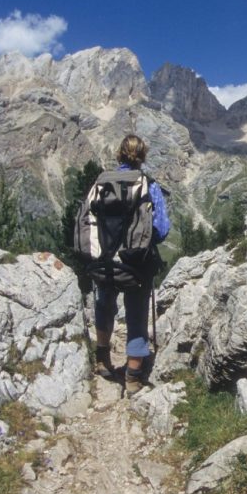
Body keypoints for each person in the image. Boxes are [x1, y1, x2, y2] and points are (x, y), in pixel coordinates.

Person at [94, 134, 171, 395]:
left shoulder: (102, 182)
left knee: (104, 305)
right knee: (136, 315)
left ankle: (102, 360)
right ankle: (133, 378)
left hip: (105, 260)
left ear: (119, 154)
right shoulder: (149, 185)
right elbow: (161, 229)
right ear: (143, 156)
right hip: (136, 262)